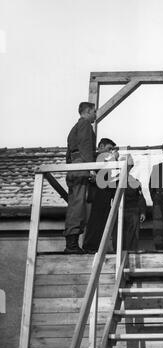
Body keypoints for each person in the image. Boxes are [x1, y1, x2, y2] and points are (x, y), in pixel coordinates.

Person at [64, 102, 96, 253]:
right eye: (94, 112)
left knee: (74, 205)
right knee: (78, 206)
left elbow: (69, 152)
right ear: (88, 111)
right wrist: (91, 168)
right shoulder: (85, 125)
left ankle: (72, 242)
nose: (95, 115)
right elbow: (86, 146)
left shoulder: (74, 128)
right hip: (80, 167)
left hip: (73, 169)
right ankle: (72, 244)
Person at [83, 138, 117, 254]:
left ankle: (96, 247)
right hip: (96, 195)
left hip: (105, 195)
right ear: (101, 146)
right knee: (94, 222)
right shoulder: (95, 158)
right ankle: (90, 246)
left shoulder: (106, 161)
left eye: (112, 150)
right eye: (109, 149)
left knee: (102, 223)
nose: (110, 152)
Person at [113, 154, 147, 251]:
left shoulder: (135, 181)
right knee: (118, 238)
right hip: (119, 213)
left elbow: (140, 197)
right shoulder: (115, 181)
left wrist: (143, 211)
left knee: (132, 239)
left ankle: (131, 255)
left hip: (132, 213)